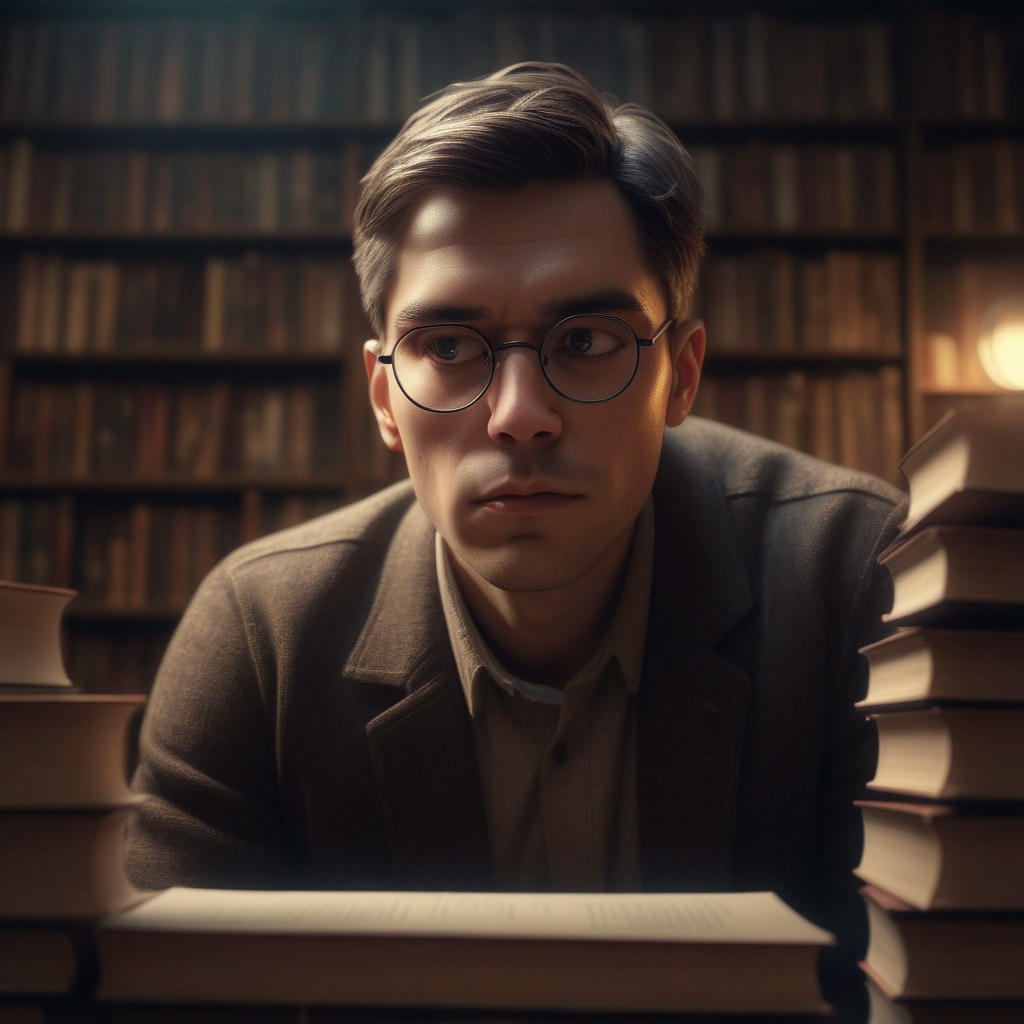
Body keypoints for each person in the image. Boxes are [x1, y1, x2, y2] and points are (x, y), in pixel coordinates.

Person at [125, 62, 903, 1008]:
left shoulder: (860, 583)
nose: (520, 416)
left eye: (584, 340)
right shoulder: (261, 636)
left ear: (682, 376)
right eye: (449, 348)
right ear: (384, 397)